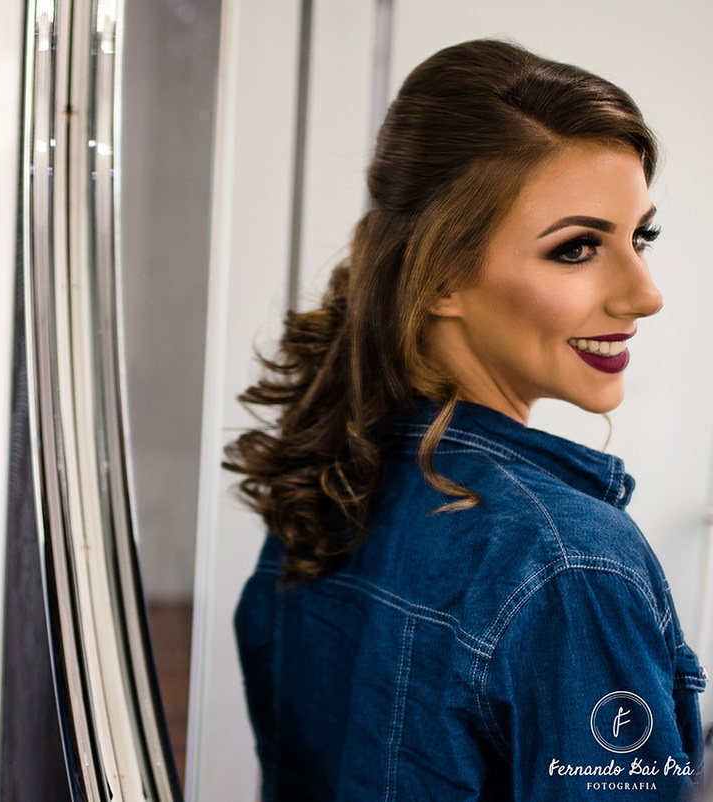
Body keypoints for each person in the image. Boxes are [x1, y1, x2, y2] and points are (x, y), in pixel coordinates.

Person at [229, 39, 704, 800]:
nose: (646, 294)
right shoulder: (569, 564)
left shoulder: (325, 486)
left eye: (639, 237)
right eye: (578, 248)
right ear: (442, 274)